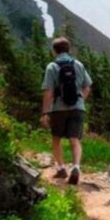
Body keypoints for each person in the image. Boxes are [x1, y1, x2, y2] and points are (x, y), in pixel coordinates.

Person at [41, 37, 92, 185]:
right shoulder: (78, 64)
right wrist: (81, 99)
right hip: (77, 107)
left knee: (56, 139)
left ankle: (61, 168)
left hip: (58, 108)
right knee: (74, 139)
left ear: (54, 51)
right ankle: (76, 167)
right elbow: (87, 85)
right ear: (69, 49)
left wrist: (45, 112)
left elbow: (48, 91)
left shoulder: (52, 66)